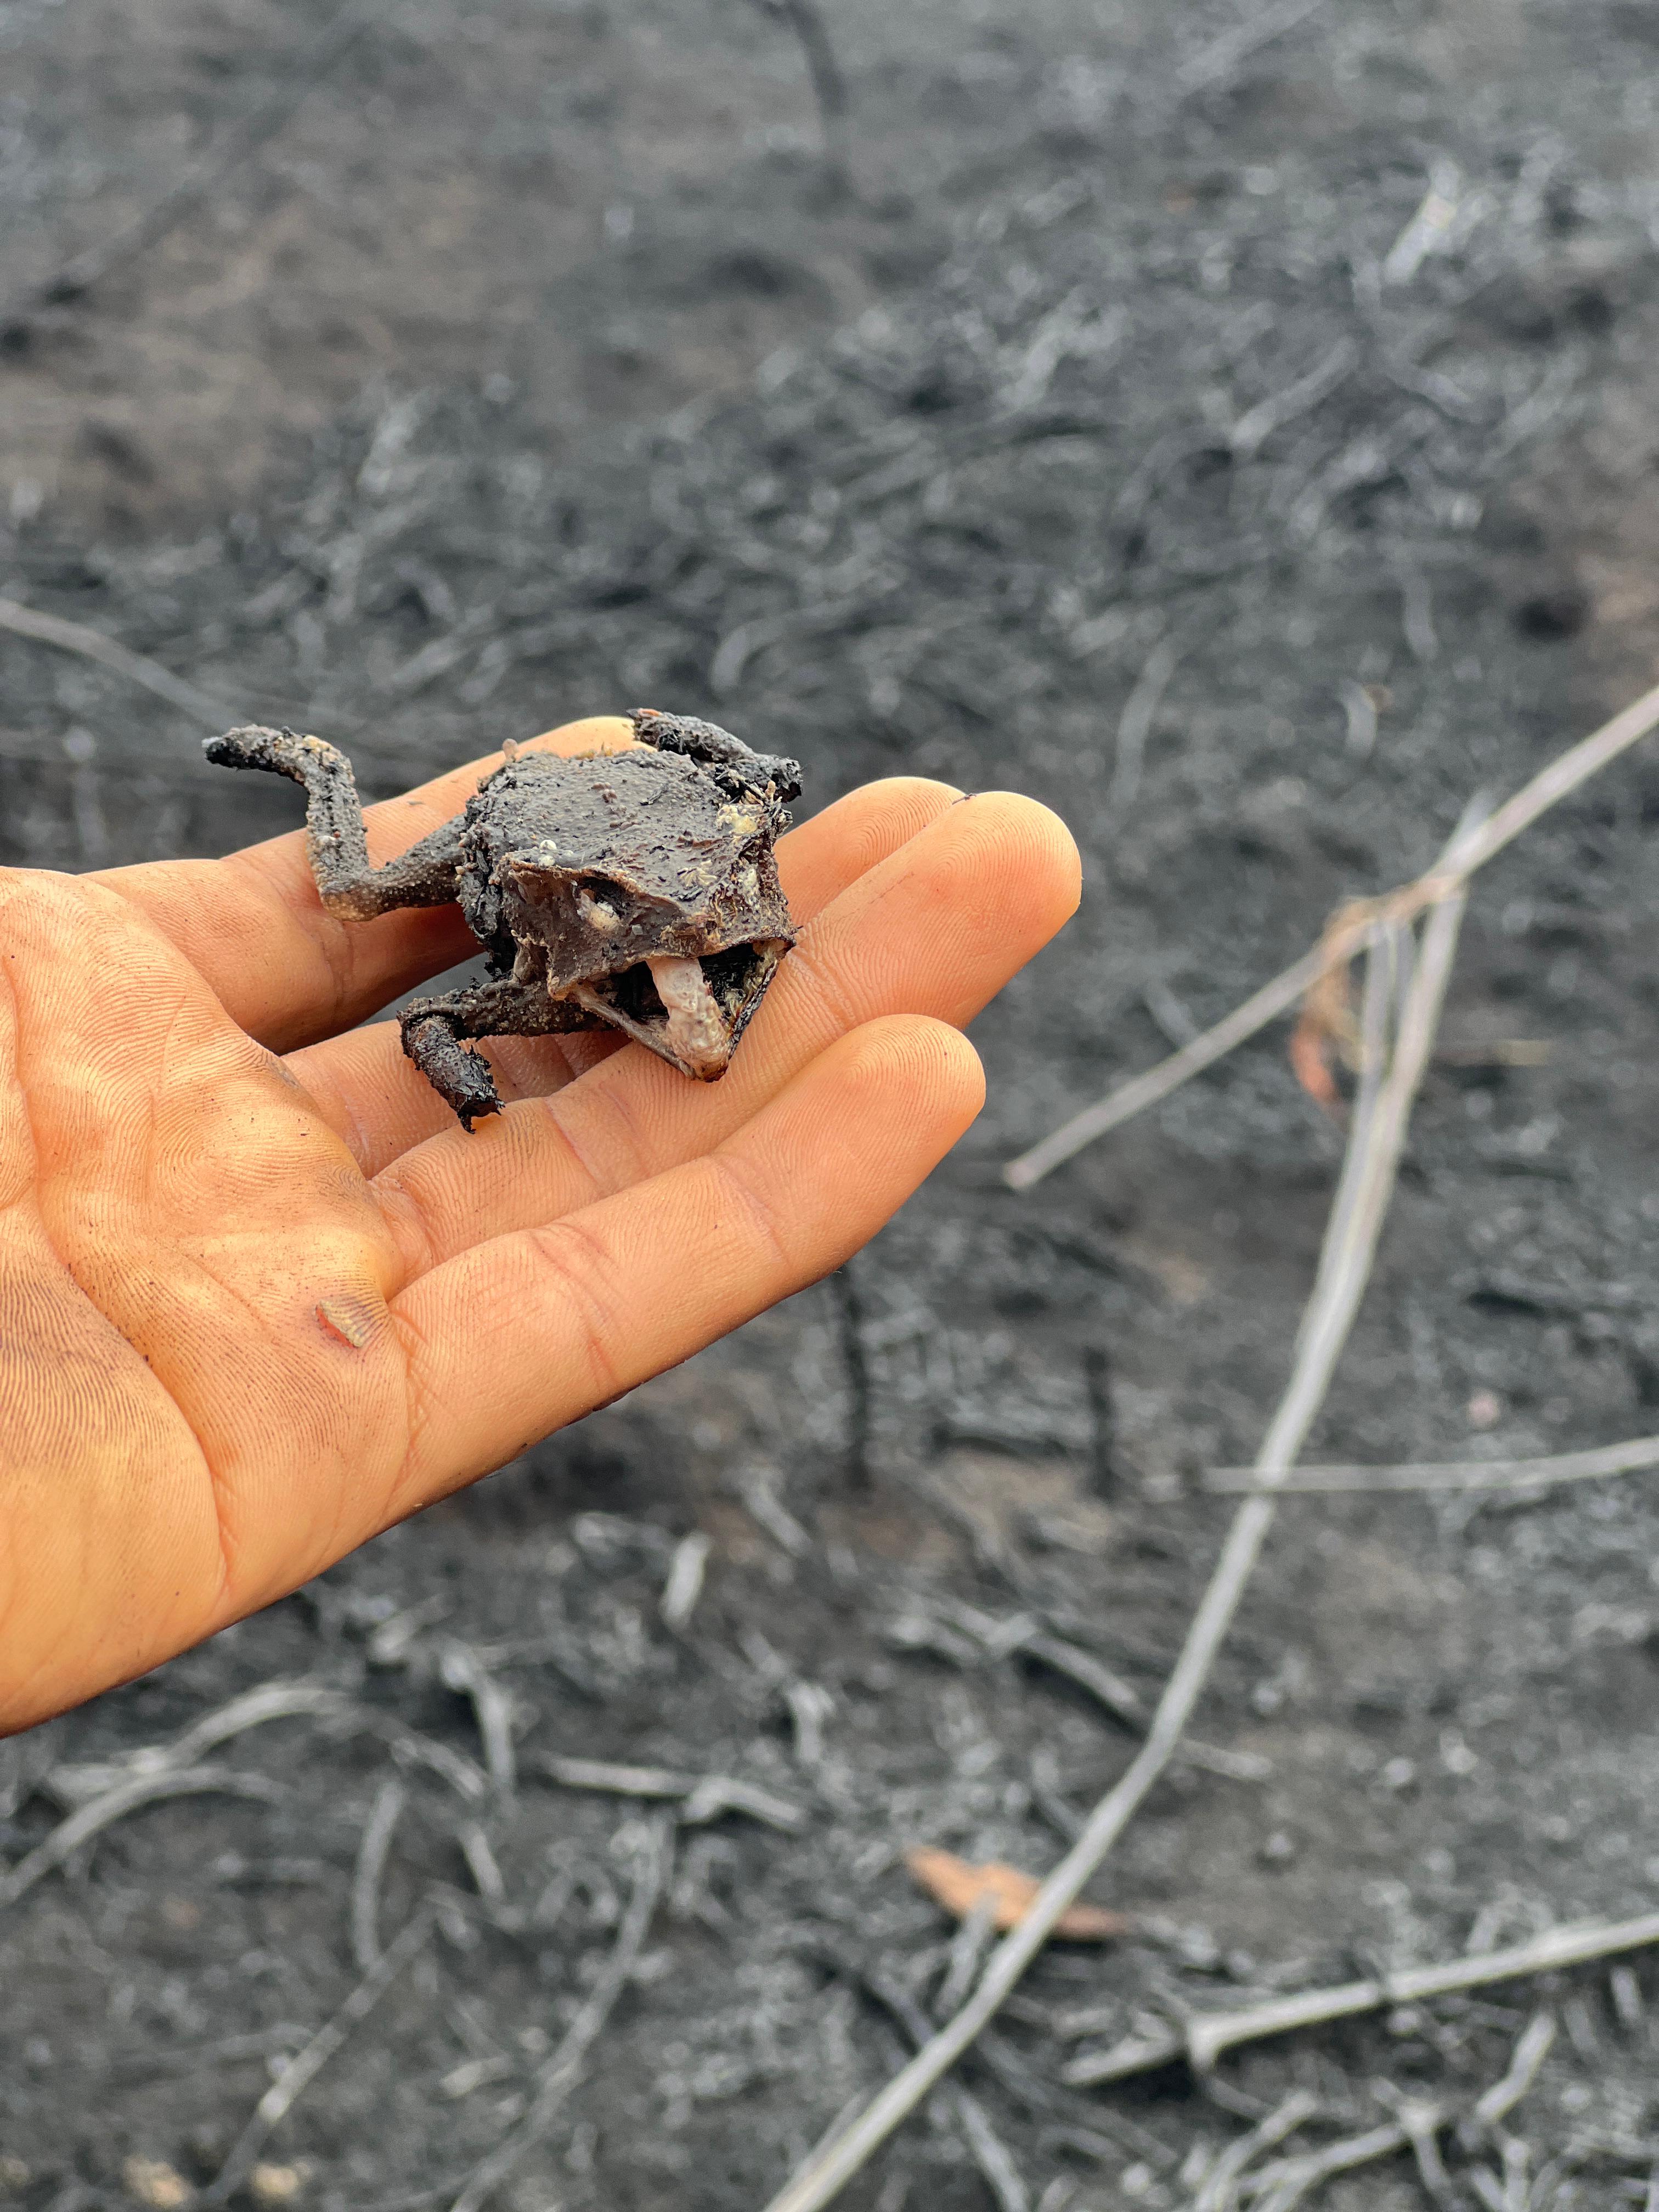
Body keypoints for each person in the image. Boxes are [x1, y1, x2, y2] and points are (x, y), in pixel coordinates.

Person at [0, 716, 1079, 1731]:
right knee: (360, 893)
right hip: (540, 848)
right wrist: (467, 1080)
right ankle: (320, 763)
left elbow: (766, 791)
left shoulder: (737, 884)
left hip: (673, 836)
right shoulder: (557, 988)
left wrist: (706, 761)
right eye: (660, 1004)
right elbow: (430, 1023)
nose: (700, 1044)